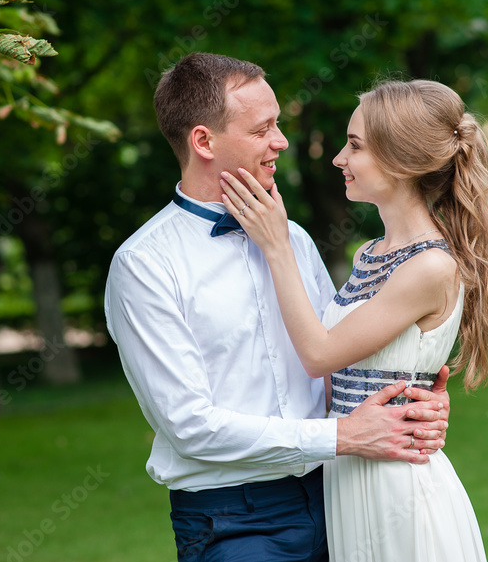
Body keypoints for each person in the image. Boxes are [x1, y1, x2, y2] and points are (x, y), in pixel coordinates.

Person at [105, 54, 453, 562]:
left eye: (279, 125)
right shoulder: (145, 265)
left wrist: (412, 403)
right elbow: (190, 427)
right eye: (263, 128)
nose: (282, 142)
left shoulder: (291, 239)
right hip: (236, 518)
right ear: (204, 141)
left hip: (343, 494)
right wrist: (341, 435)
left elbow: (334, 360)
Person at [218, 79, 488, 561]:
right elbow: (341, 375)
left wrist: (277, 246)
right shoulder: (371, 253)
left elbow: (318, 354)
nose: (338, 158)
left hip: (396, 487)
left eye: (354, 146)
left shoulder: (430, 266)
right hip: (351, 474)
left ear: (401, 160)